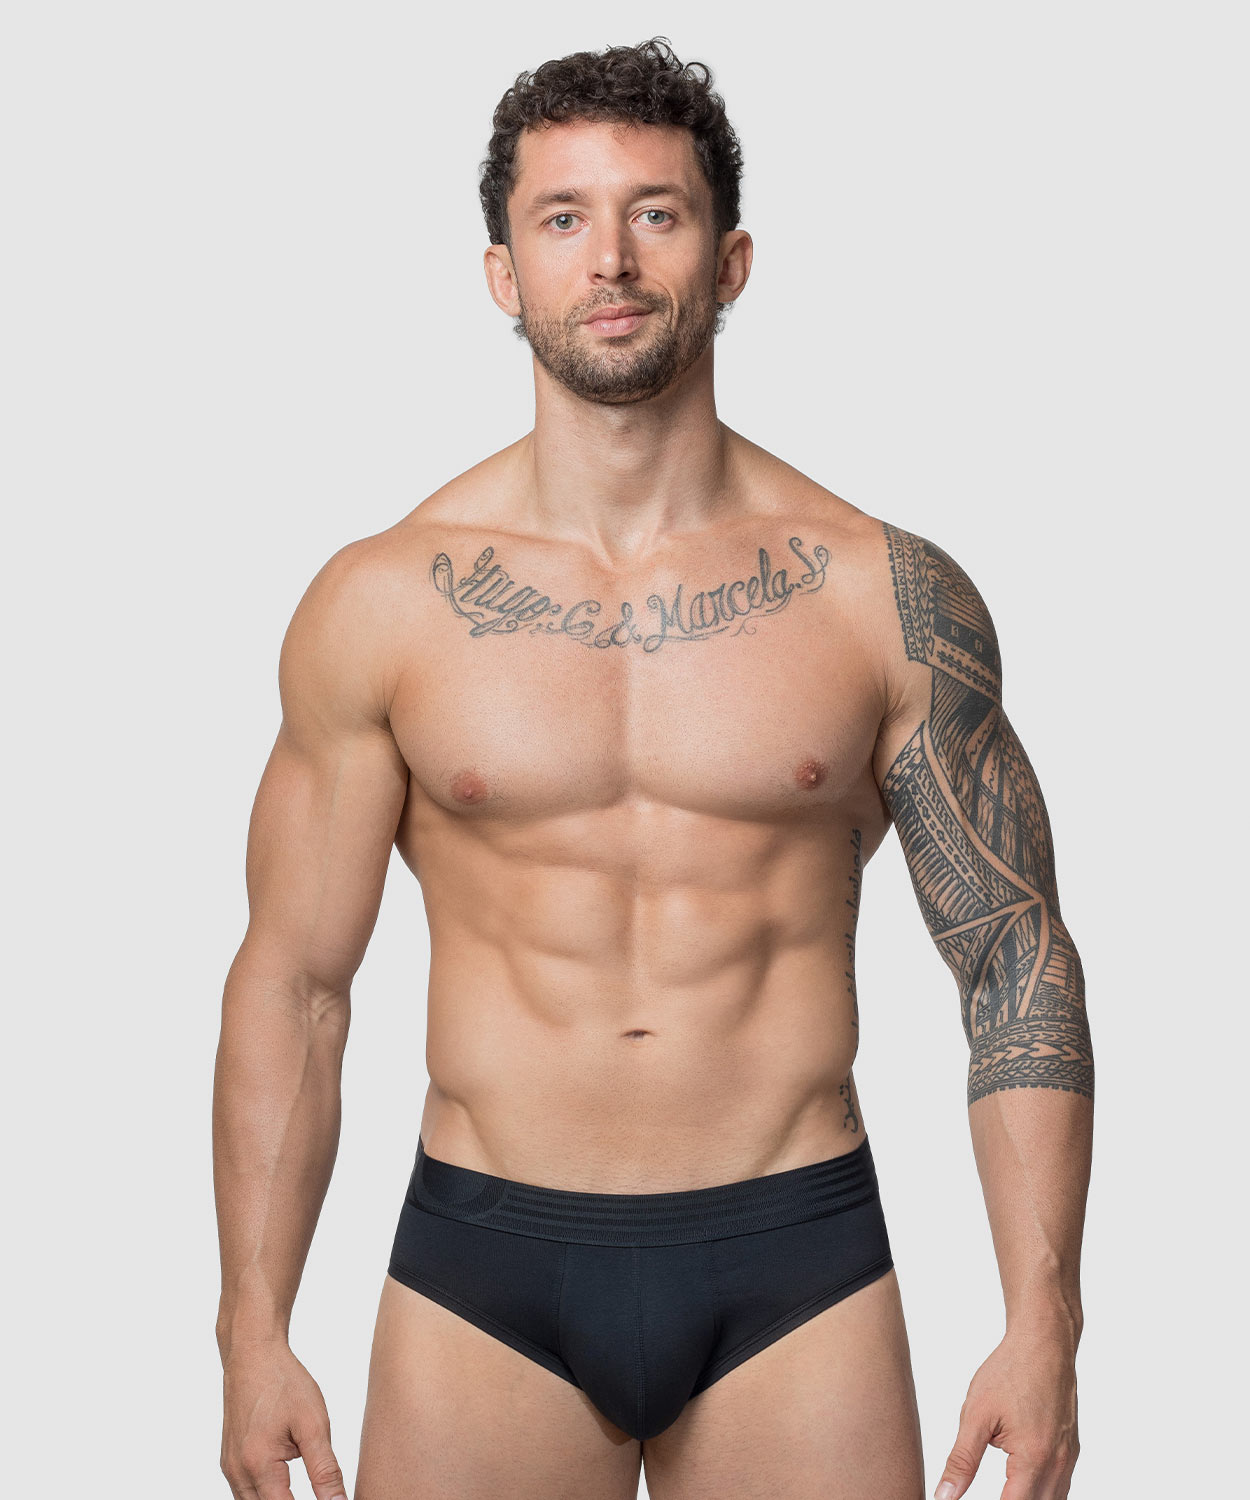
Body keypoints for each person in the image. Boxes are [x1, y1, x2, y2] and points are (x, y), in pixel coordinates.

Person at [213, 36, 1094, 1500]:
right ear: (503, 273)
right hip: (483, 1268)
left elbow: (1012, 955)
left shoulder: (878, 595)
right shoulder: (383, 603)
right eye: (563, 216)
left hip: (794, 1261)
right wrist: (251, 1331)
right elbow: (295, 979)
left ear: (730, 259)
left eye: (656, 212)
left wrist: (1044, 1324)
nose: (610, 257)